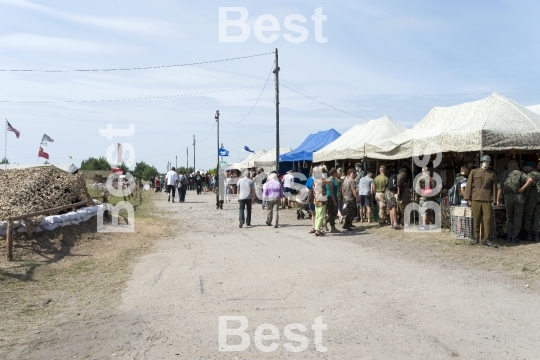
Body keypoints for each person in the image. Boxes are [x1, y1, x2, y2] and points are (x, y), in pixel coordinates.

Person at [463, 155, 496, 246]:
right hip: (476, 197)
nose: (486, 164)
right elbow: (469, 184)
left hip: (486, 198)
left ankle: (487, 239)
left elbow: (494, 187)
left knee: (488, 218)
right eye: (485, 162)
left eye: (488, 162)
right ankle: (476, 237)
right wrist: (468, 198)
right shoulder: (474, 172)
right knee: (476, 218)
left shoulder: (492, 173)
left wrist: (495, 200)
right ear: (481, 162)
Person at [496, 160, 528, 244]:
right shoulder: (520, 173)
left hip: (508, 197)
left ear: (508, 165)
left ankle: (509, 236)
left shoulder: (504, 174)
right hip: (518, 196)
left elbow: (500, 188)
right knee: (517, 218)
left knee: (509, 218)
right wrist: (523, 188)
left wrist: (498, 199)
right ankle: (515, 237)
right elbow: (530, 179)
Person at [522, 161, 540, 242]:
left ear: (528, 167)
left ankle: (528, 235)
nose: (524, 168)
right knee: (537, 217)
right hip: (538, 199)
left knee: (528, 216)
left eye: (525, 167)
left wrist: (524, 198)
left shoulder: (530, 175)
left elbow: (528, 188)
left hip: (531, 199)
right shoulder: (539, 174)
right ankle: (536, 236)